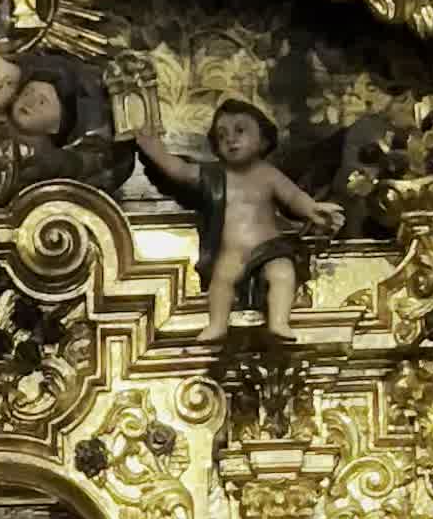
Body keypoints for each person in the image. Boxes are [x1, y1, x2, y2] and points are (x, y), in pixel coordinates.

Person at [132, 99, 345, 342]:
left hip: (269, 245)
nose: (230, 139)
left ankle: (279, 321)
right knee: (221, 283)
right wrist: (155, 150)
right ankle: (217, 324)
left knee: (283, 274)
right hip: (231, 251)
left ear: (263, 139)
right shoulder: (215, 175)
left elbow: (293, 196)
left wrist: (313, 208)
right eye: (222, 136)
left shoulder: (267, 174)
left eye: (240, 131)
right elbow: (180, 170)